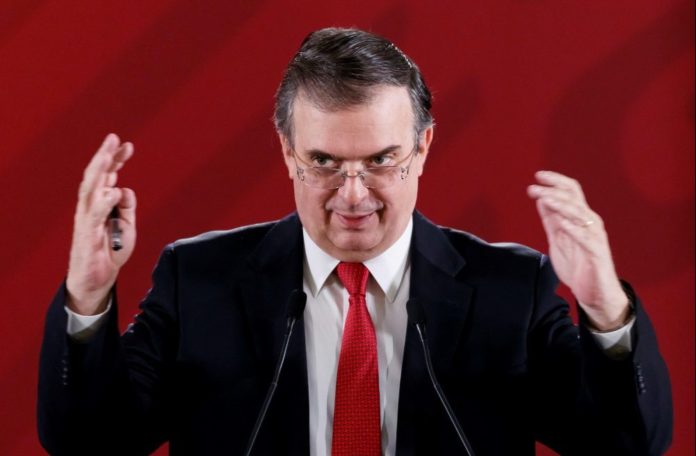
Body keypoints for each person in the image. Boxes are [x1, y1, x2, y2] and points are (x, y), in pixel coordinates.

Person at [38, 28, 672, 455]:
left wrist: (605, 309)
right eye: (322, 161)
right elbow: (87, 443)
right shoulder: (200, 280)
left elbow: (628, 443)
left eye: (380, 160)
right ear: (286, 152)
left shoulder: (509, 290)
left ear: (423, 147)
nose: (351, 195)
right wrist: (86, 298)